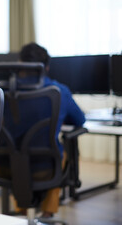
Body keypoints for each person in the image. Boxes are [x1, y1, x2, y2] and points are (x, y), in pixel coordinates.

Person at [16, 42, 86, 218]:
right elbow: (79, 120)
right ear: (46, 67)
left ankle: (21, 212)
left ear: (19, 64)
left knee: (17, 151)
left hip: (9, 167)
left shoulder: (4, 91)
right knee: (59, 151)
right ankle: (47, 215)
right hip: (45, 169)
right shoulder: (59, 91)